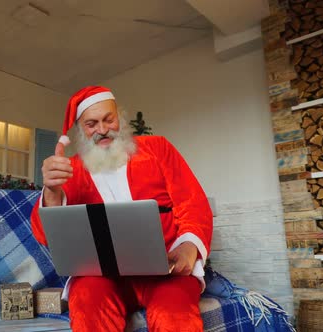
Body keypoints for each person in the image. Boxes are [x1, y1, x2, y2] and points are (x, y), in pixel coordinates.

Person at [30, 86, 213, 331]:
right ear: (80, 130)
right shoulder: (70, 170)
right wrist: (52, 191)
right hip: (102, 277)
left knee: (174, 315)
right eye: (92, 123)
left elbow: (192, 203)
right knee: (86, 302)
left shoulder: (157, 149)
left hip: (166, 269)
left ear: (120, 117)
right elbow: (44, 235)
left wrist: (189, 247)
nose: (103, 130)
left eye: (109, 119)